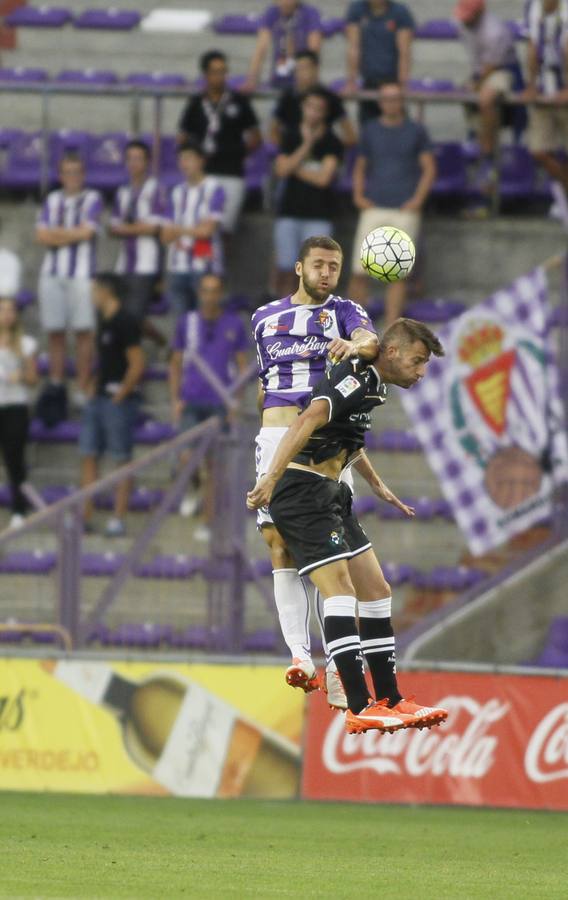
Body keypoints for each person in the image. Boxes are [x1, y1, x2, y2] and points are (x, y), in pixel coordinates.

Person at [247, 318, 448, 734]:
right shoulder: (354, 378)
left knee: (376, 590)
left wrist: (379, 486)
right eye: (418, 360)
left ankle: (390, 699)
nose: (421, 371)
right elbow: (307, 420)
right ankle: (360, 705)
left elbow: (350, 439)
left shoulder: (376, 383)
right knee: (341, 590)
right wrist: (269, 477)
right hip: (301, 492)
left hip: (334, 492)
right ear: (392, 353)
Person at [252, 234, 381, 708]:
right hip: (274, 439)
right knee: (277, 545)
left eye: (334, 266)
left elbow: (371, 344)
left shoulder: (345, 312)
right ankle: (300, 658)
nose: (327, 273)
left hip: (323, 445)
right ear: (299, 267)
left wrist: (354, 344)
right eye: (320, 265)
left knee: (333, 563)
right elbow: (265, 384)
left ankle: (339, 669)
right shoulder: (263, 318)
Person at [169, 274, 249, 541]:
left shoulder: (233, 324)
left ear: (221, 293)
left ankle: (207, 520)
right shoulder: (187, 323)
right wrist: (175, 398)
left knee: (215, 465)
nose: (210, 296)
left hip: (219, 401)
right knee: (186, 457)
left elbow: (241, 364)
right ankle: (193, 488)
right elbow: (176, 362)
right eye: (205, 290)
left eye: (215, 291)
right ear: (199, 293)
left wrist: (235, 401)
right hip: (192, 399)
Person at [348, 82, 436, 324]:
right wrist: (358, 195)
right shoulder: (370, 130)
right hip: (374, 205)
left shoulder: (416, 131)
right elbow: (360, 165)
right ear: (380, 103)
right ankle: (356, 328)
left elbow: (429, 167)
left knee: (397, 274)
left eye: (396, 98)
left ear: (402, 101)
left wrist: (418, 200)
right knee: (358, 270)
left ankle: (391, 327)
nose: (392, 103)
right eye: (387, 99)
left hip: (403, 209)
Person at [79, 273, 145, 538]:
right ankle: (86, 514)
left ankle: (118, 517)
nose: (92, 295)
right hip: (99, 399)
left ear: (106, 291)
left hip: (118, 401)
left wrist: (122, 393)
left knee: (121, 459)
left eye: (95, 290)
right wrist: (95, 382)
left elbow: (137, 362)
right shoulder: (102, 321)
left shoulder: (125, 321)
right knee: (88, 454)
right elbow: (105, 359)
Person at [36, 153, 102, 404]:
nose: (72, 177)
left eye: (77, 172)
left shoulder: (93, 198)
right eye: (68, 172)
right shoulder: (51, 199)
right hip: (51, 274)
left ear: (83, 175)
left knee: (84, 332)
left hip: (82, 276)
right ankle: (56, 384)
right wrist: (70, 234)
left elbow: (87, 234)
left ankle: (81, 387)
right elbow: (41, 236)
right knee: (55, 332)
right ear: (60, 175)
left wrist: (57, 235)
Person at [178, 50, 261, 236]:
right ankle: (201, 263)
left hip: (232, 172)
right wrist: (193, 158)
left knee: (224, 230)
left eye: (223, 71)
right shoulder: (196, 103)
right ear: (206, 75)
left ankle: (219, 265)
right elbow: (182, 137)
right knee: (200, 226)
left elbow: (256, 136)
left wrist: (239, 152)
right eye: (215, 72)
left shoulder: (239, 101)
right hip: (202, 174)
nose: (220, 76)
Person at [273, 88, 344, 296]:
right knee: (286, 269)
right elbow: (280, 170)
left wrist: (294, 167)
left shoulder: (332, 141)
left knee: (316, 274)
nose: (313, 112)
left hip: (318, 214)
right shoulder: (290, 136)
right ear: (303, 108)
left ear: (325, 113)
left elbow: (323, 179)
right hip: (289, 212)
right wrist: (307, 145)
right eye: (309, 107)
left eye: (319, 109)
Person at [455, 0, 522, 204]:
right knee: (463, 93)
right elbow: (477, 64)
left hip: (504, 70)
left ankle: (487, 150)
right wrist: (472, 83)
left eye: (470, 15)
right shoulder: (463, 24)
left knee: (486, 97)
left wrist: (477, 84)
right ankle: (476, 136)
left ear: (480, 12)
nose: (465, 20)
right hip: (480, 71)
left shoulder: (495, 31)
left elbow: (492, 66)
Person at [108, 140, 165, 345]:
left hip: (146, 265)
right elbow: (112, 228)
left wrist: (128, 228)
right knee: (122, 316)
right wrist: (138, 227)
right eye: (130, 158)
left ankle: (156, 346)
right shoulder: (122, 192)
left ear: (147, 162)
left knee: (133, 317)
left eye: (138, 158)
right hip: (124, 264)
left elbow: (156, 227)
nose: (133, 163)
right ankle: (158, 344)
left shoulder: (155, 189)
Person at [161, 141, 226, 318]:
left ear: (201, 161)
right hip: (176, 265)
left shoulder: (214, 188)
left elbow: (207, 232)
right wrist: (194, 228)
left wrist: (178, 229)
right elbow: (165, 236)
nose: (184, 164)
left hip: (204, 263)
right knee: (181, 325)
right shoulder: (176, 192)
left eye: (188, 158)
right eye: (181, 159)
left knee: (205, 319)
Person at [524, 0, 568, 226]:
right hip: (545, 89)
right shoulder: (532, 7)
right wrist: (531, 84)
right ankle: (565, 191)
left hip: (564, 86)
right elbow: (532, 45)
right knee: (538, 149)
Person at [0, 298, 38, 530]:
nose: (6, 314)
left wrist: (20, 376)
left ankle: (19, 508)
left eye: (9, 310)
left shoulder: (25, 343)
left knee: (14, 459)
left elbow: (33, 378)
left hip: (14, 406)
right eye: (1, 310)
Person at [270, 49, 357, 147]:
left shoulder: (331, 98)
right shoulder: (287, 97)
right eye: (297, 69)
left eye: (305, 68)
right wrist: (284, 152)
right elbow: (273, 132)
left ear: (316, 69)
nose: (301, 73)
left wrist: (335, 149)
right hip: (292, 154)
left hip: (323, 155)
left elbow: (351, 136)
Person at [345, 0, 415, 121]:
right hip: (369, 81)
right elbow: (353, 47)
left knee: (397, 125)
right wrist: (351, 81)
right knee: (368, 125)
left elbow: (404, 52)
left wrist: (403, 84)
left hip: (393, 82)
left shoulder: (400, 12)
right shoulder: (356, 9)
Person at [244, 0, 322, 92]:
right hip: (280, 76)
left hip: (303, 77)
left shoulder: (310, 13)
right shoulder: (272, 12)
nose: (286, 2)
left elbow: (314, 49)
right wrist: (251, 80)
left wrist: (310, 77)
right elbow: (261, 48)